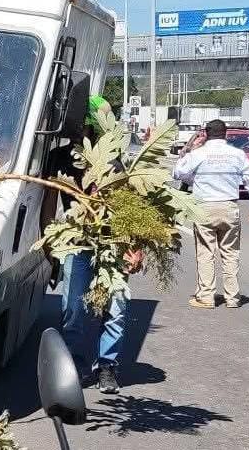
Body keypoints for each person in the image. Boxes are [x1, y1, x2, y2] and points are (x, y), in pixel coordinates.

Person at [59, 95, 142, 395]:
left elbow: (130, 207)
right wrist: (49, 242)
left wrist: (134, 246)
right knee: (74, 309)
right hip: (78, 244)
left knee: (116, 308)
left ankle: (107, 366)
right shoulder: (63, 158)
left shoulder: (115, 163)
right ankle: (73, 364)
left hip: (113, 243)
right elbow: (46, 201)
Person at [173, 118, 249, 309]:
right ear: (226, 134)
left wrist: (188, 152)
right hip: (230, 207)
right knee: (230, 253)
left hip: (204, 207)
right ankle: (233, 298)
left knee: (206, 252)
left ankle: (206, 296)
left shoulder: (200, 153)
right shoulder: (237, 154)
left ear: (205, 133)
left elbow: (178, 173)